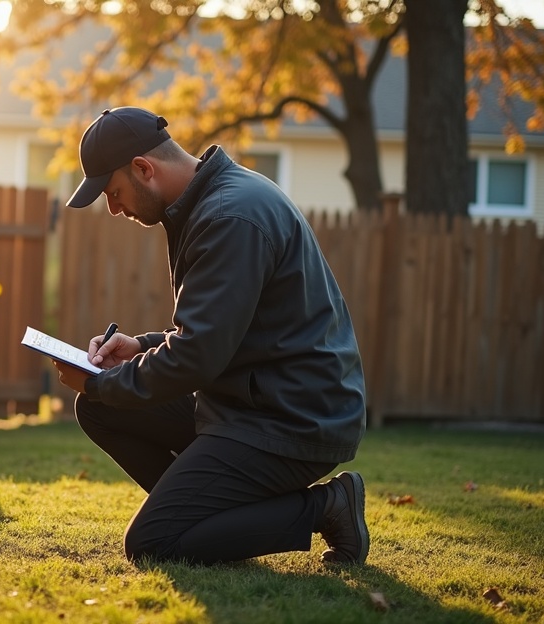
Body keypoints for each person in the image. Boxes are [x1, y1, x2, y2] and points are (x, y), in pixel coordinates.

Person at [52, 106, 369, 566]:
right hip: (251, 398)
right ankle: (205, 516)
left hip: (293, 417)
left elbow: (197, 355)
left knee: (153, 543)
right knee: (99, 409)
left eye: (114, 192)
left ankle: (326, 506)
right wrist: (141, 346)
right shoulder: (212, 201)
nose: (114, 208)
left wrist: (100, 380)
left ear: (144, 168)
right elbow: (224, 330)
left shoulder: (228, 216)